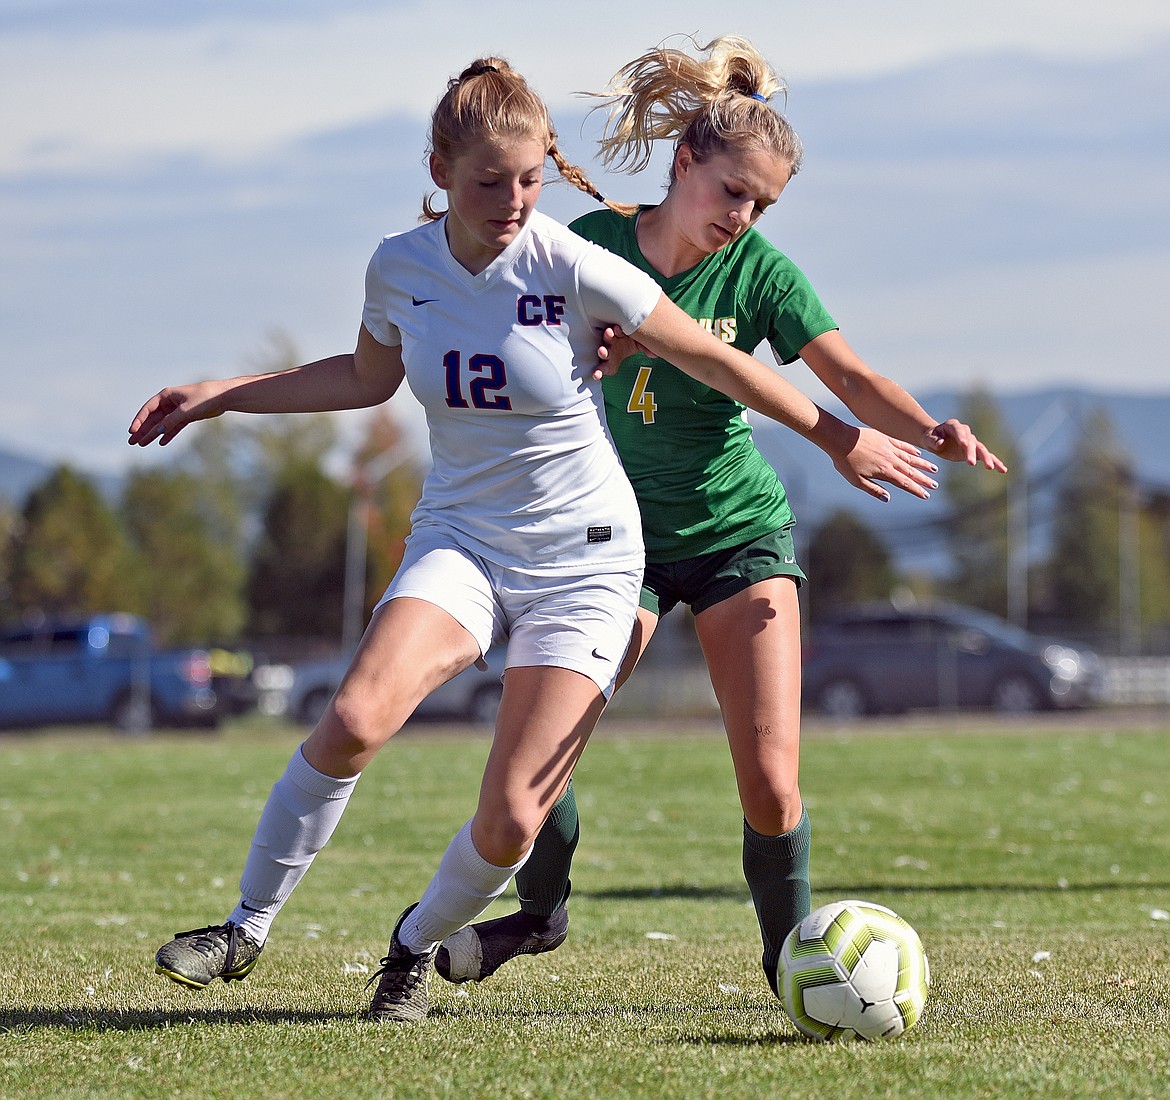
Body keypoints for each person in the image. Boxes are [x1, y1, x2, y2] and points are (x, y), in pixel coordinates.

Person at [129, 55, 935, 1023]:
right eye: (488, 181)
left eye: (529, 179)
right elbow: (361, 376)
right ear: (439, 169)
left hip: (587, 557)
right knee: (355, 712)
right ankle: (245, 926)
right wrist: (223, 393)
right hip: (462, 535)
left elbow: (719, 361)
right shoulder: (401, 264)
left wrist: (840, 433)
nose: (512, 201)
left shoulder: (572, 262)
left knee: (515, 813)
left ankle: (412, 947)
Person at [433, 36, 1006, 1001]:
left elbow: (850, 376)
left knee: (772, 782)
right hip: (615, 544)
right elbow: (508, 341)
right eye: (732, 192)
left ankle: (797, 972)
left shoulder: (762, 279)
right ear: (684, 162)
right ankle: (540, 914)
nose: (741, 218)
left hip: (739, 533)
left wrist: (923, 425)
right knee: (541, 765)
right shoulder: (589, 249)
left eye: (762, 205)